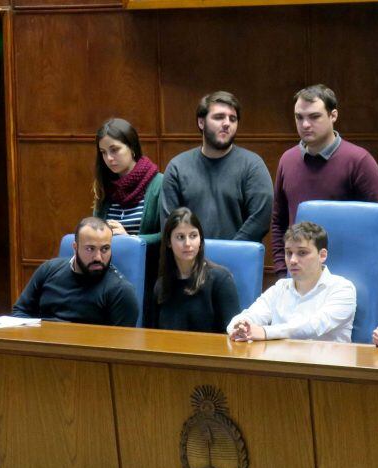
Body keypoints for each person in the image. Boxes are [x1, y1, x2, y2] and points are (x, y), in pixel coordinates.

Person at [271, 84, 378, 277]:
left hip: (347, 275)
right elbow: (278, 222)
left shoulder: (359, 161)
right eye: (299, 117)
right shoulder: (287, 160)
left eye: (314, 117)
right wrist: (282, 271)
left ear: (333, 115)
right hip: (297, 273)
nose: (305, 124)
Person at [160, 91, 273, 241]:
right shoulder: (177, 167)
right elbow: (169, 223)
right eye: (219, 117)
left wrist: (227, 252)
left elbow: (260, 219)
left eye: (233, 119)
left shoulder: (253, 165)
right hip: (189, 259)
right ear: (201, 122)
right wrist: (196, 254)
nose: (227, 123)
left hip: (237, 260)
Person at [227, 221, 356, 342]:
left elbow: (313, 326)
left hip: (325, 364)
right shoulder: (280, 288)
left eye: (302, 253)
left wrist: (265, 332)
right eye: (289, 253)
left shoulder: (342, 288)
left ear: (322, 255)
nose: (293, 260)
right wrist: (240, 326)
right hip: (279, 362)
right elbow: (251, 315)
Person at [13, 217, 139, 326]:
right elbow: (20, 312)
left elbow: (120, 345)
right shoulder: (48, 270)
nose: (98, 257)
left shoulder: (121, 291)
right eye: (90, 249)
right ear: (75, 248)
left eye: (105, 249)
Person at [151, 207, 240, 334]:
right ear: (169, 242)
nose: (187, 243)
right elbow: (154, 337)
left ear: (200, 240)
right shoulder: (161, 286)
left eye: (193, 236)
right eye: (180, 237)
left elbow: (233, 337)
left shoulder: (221, 280)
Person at [93, 118, 163, 244]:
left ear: (132, 147)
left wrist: (131, 241)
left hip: (146, 262)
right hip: (106, 262)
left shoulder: (159, 184)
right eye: (103, 152)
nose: (109, 158)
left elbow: (169, 235)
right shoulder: (105, 184)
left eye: (114, 150)